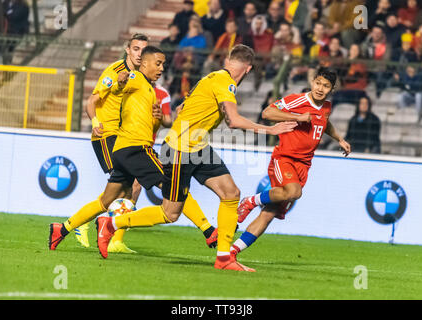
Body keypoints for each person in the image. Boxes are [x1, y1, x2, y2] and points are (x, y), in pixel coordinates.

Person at [94, 44, 298, 272]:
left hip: (197, 146)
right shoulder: (226, 82)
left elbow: (184, 106)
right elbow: (233, 120)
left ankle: (224, 259)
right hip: (180, 149)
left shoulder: (210, 77)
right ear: (248, 69)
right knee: (170, 213)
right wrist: (271, 130)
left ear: (228, 61)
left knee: (231, 193)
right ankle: (111, 222)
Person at [49, 46, 220, 254]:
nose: (161, 68)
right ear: (144, 63)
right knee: (173, 184)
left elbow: (149, 123)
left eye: (163, 64)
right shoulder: (137, 79)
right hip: (136, 148)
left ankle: (62, 229)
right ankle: (208, 229)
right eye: (158, 63)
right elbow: (121, 84)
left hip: (122, 150)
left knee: (105, 201)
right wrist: (121, 80)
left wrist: (157, 119)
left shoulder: (149, 91)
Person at [233, 68, 351, 258]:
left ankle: (232, 252)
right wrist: (297, 117)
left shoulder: (327, 107)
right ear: (313, 82)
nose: (320, 88)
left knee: (269, 214)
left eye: (326, 86)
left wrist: (339, 139)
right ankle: (251, 200)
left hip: (304, 165)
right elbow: (267, 112)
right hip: (285, 158)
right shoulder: (298, 100)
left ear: (331, 89)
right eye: (318, 83)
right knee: (295, 192)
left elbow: (324, 122)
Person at [73, 34, 149, 253]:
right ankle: (87, 223)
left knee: (129, 186)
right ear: (127, 50)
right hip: (106, 136)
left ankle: (113, 238)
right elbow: (91, 102)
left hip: (125, 136)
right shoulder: (113, 72)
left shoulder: (140, 77)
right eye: (136, 49)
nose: (139, 54)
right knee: (123, 186)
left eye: (143, 50)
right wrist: (96, 123)